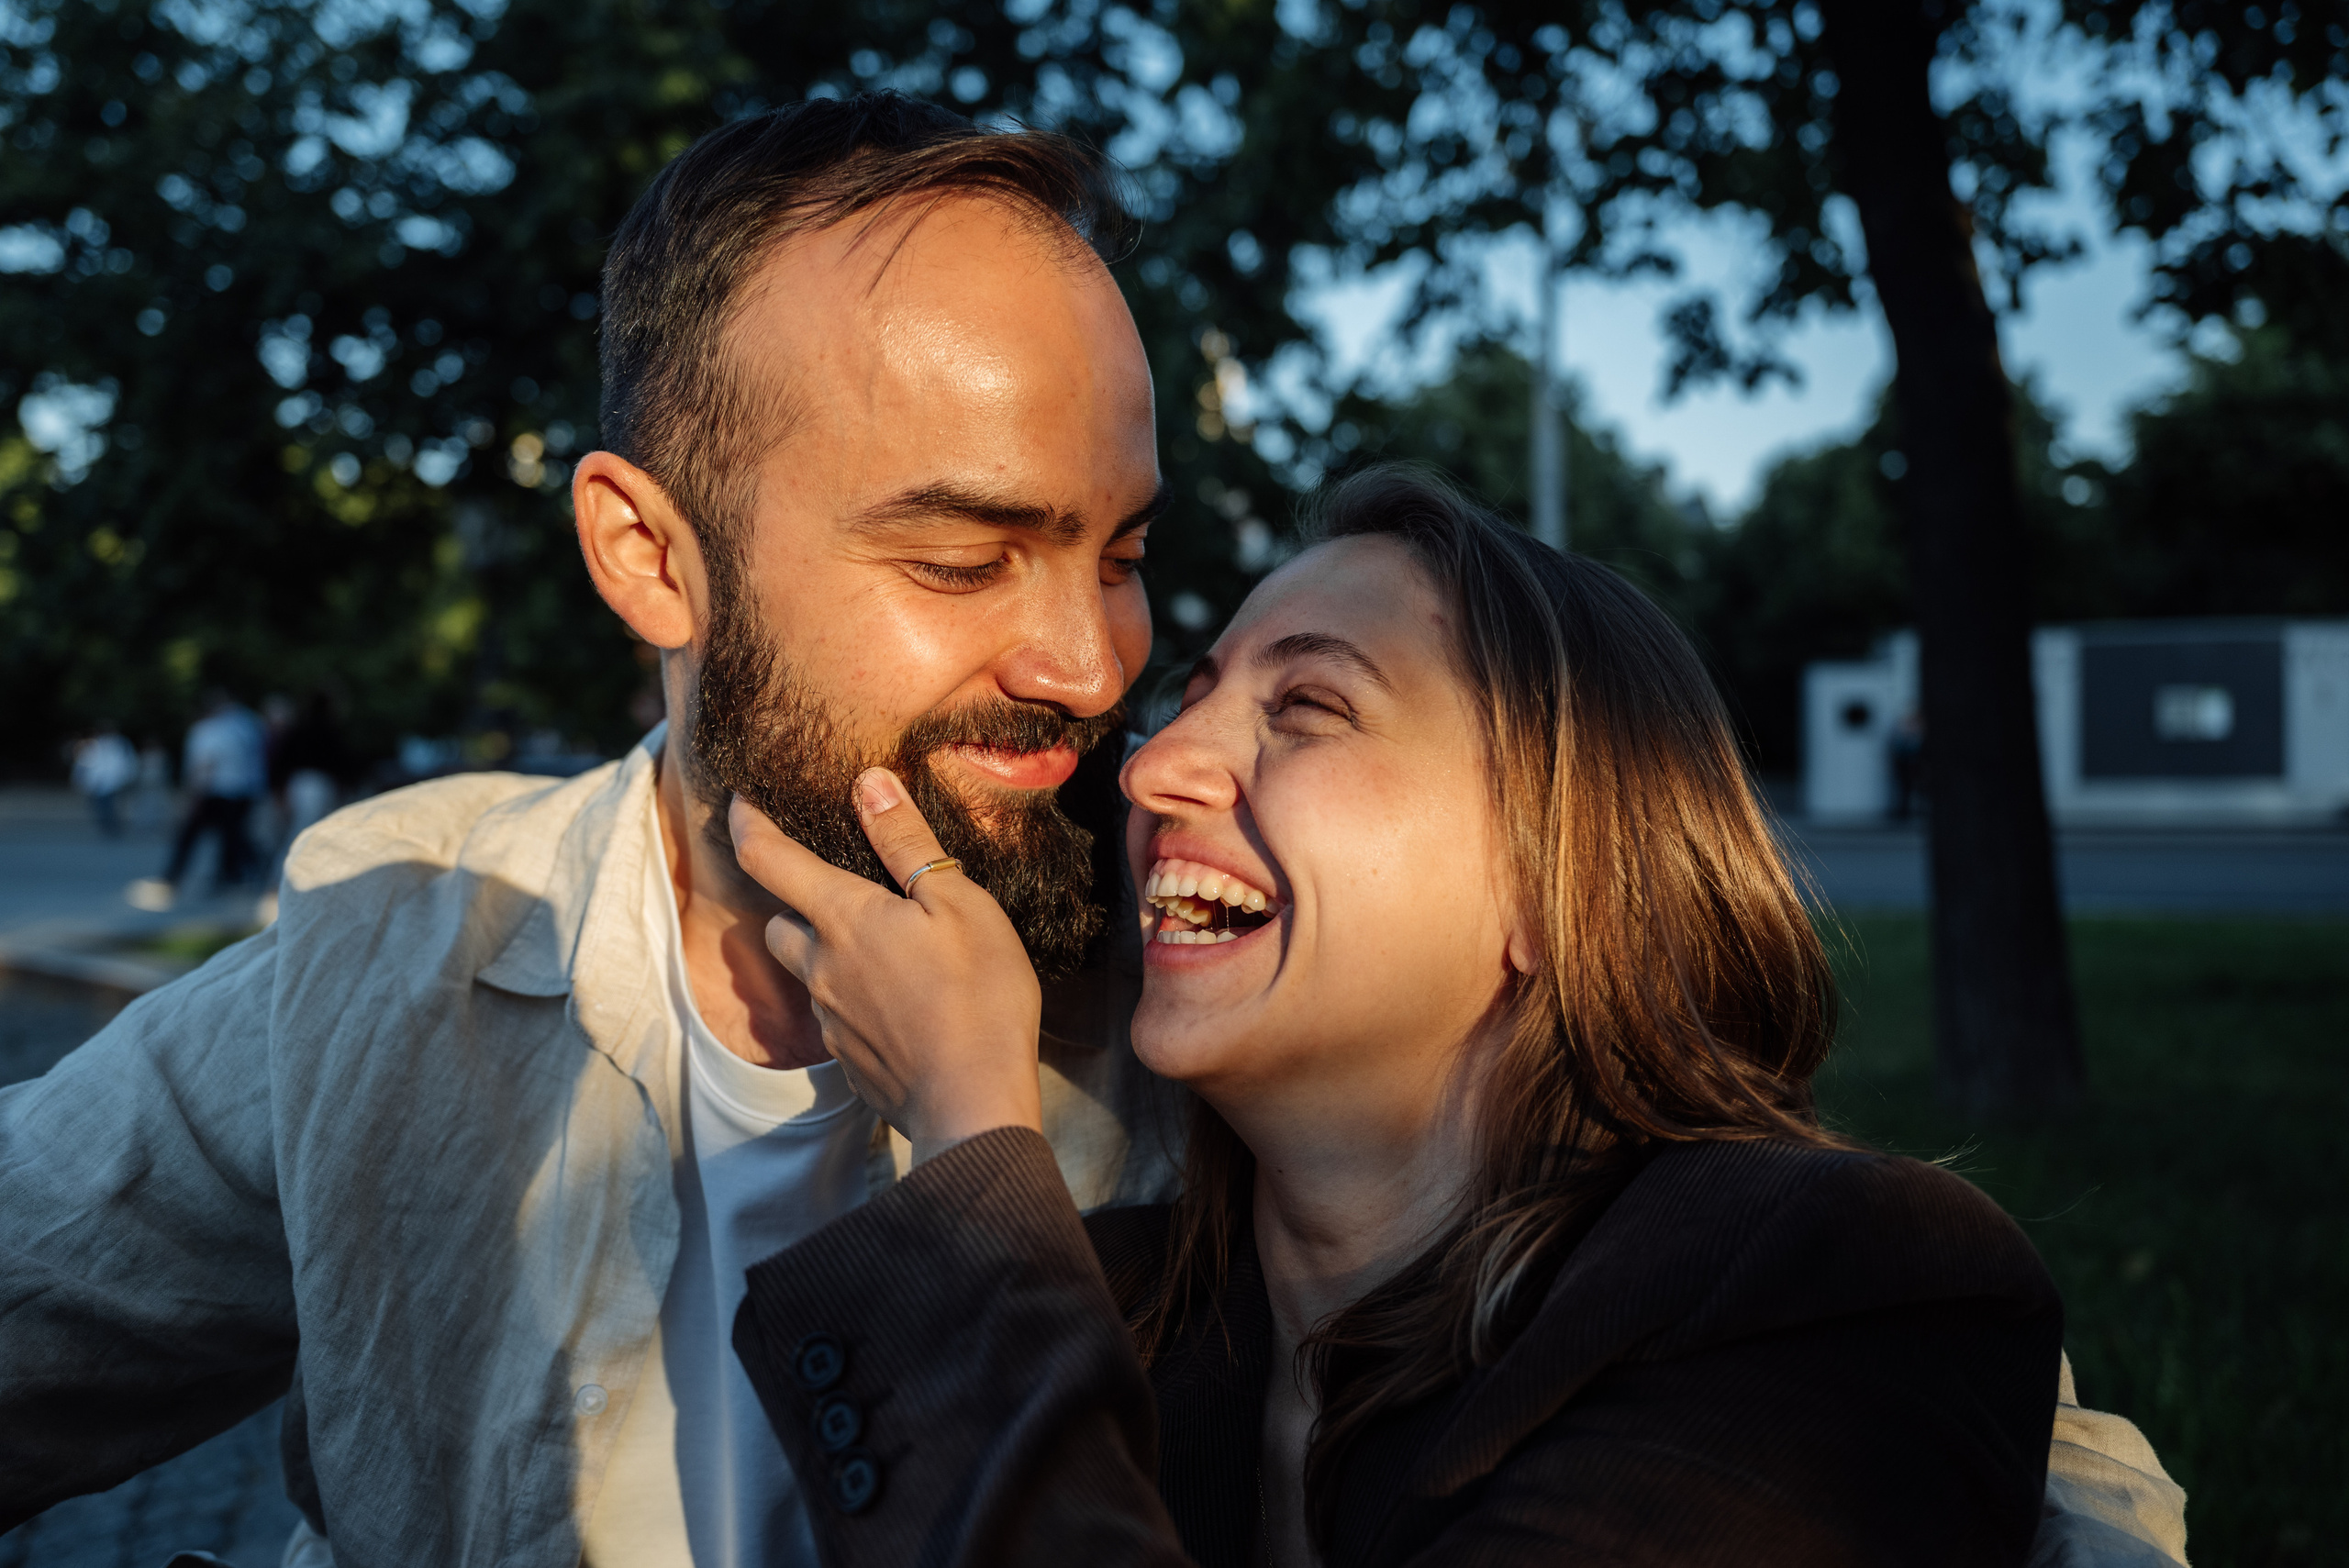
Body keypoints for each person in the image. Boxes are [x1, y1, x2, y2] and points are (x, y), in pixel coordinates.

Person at [0, 95, 1179, 1568]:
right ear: (647, 556)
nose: (1088, 663)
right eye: (961, 560)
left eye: (1123, 553)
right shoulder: (397, 954)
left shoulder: (1209, 1030)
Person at [724, 467, 2193, 1568]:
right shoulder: (1116, 1305)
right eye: (1196, 695)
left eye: (1307, 710)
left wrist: (978, 1136)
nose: (1157, 758)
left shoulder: (1837, 1287)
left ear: (1557, 887)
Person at [136, 688, 269, 905]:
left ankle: (173, 876)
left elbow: (205, 766)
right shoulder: (245, 725)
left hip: (214, 791)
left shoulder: (206, 731)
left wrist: (193, 796)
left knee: (193, 835)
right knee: (233, 837)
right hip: (242, 790)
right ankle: (237, 875)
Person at [70, 719, 139, 838]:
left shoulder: (121, 744)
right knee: (100, 807)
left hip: (115, 783)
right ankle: (108, 827)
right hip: (98, 784)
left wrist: (126, 778)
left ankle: (113, 828)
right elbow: (84, 764)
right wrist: (82, 781)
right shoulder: (95, 744)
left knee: (110, 806)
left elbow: (128, 763)